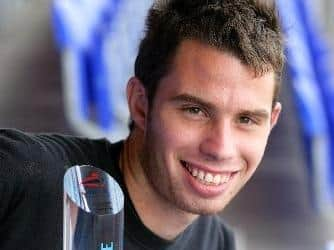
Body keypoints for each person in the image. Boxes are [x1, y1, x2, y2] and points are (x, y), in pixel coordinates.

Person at [0, 0, 284, 249]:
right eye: (195, 110)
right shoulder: (23, 177)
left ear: (271, 123)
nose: (221, 148)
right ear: (140, 104)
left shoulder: (218, 242)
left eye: (246, 119)